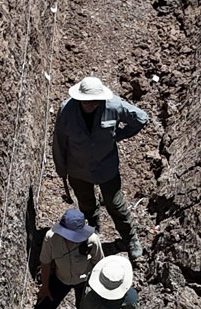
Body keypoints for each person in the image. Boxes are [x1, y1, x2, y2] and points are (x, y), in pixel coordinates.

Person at [53, 76, 149, 260]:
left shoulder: (114, 105)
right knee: (86, 205)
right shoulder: (66, 111)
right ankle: (92, 234)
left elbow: (141, 118)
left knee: (115, 204)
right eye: (87, 101)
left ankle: (130, 238)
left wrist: (118, 136)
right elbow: (59, 141)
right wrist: (61, 168)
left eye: (96, 101)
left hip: (106, 167)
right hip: (78, 169)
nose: (92, 105)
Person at [32, 209, 105, 309]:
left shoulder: (92, 240)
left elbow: (99, 263)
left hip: (85, 280)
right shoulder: (51, 238)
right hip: (60, 278)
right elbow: (45, 262)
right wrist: (45, 287)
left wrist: (97, 289)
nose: (71, 240)